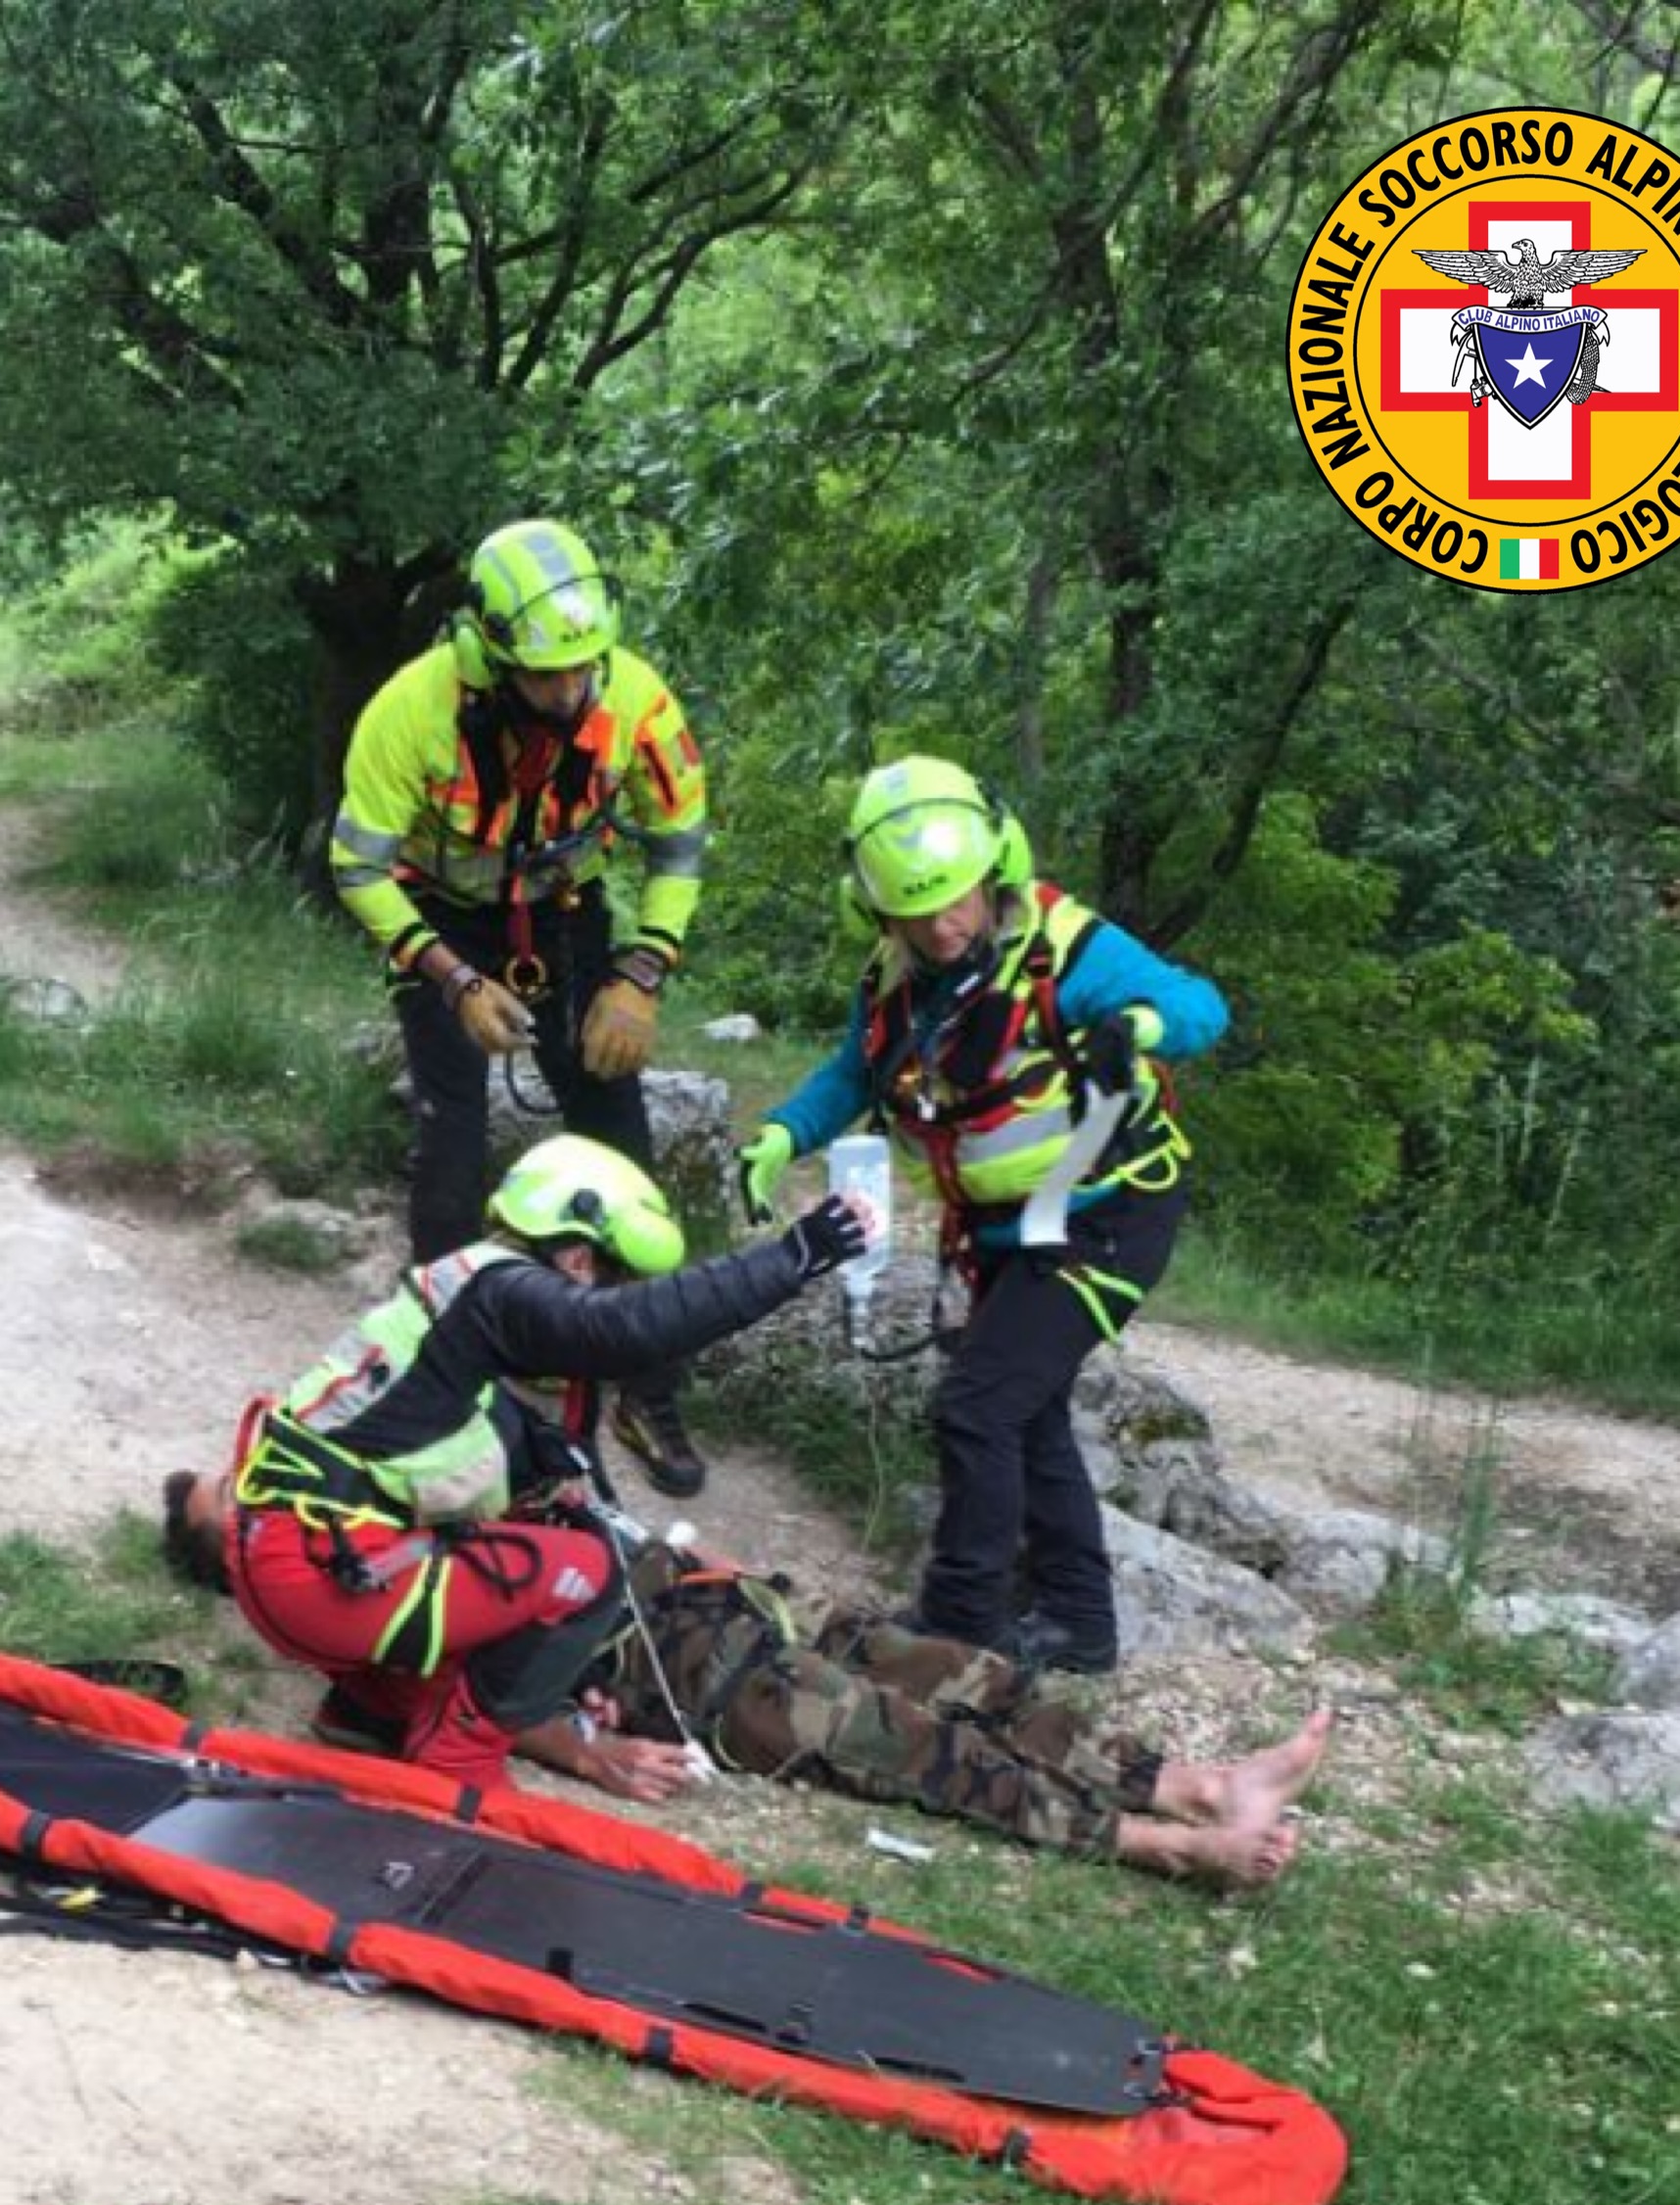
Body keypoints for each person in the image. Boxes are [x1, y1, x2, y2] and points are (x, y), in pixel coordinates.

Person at [161, 1136, 870, 1796]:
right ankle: (456, 1767)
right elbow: (622, 1331)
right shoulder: (498, 1291)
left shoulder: (472, 1335)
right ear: (577, 1258)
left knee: (557, 1550)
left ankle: (366, 1711)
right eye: (617, 1275)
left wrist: (556, 1686)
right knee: (582, 1568)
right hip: (319, 1570)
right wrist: (796, 1256)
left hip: (306, 1567)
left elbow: (563, 1500)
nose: (618, 1292)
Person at [741, 759, 1227, 1673]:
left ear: (992, 870)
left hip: (1110, 1210)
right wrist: (779, 1136)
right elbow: (853, 1074)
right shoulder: (896, 976)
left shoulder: (1067, 947)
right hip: (1006, 1232)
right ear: (876, 910)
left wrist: (1142, 1031)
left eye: (957, 900)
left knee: (975, 1406)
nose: (943, 925)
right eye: (915, 911)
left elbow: (1202, 1007)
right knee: (1023, 1410)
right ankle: (1080, 1624)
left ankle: (960, 1624)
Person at [327, 518, 717, 1499]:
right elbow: (355, 866)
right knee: (449, 1141)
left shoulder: (638, 703)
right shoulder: (409, 712)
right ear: (492, 652)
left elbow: (679, 846)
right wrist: (451, 977)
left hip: (569, 910)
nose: (570, 691)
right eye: (547, 677)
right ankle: (444, 1364)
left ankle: (645, 1381)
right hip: (443, 917)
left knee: (620, 1140)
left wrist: (641, 974)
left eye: (584, 669)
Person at [598, 1547, 1328, 1890]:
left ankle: (1192, 1787)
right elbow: (486, 1697)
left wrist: (734, 1572)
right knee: (908, 1741)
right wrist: (586, 1753)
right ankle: (1159, 1844)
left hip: (693, 1593)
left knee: (953, 1669)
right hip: (666, 1673)